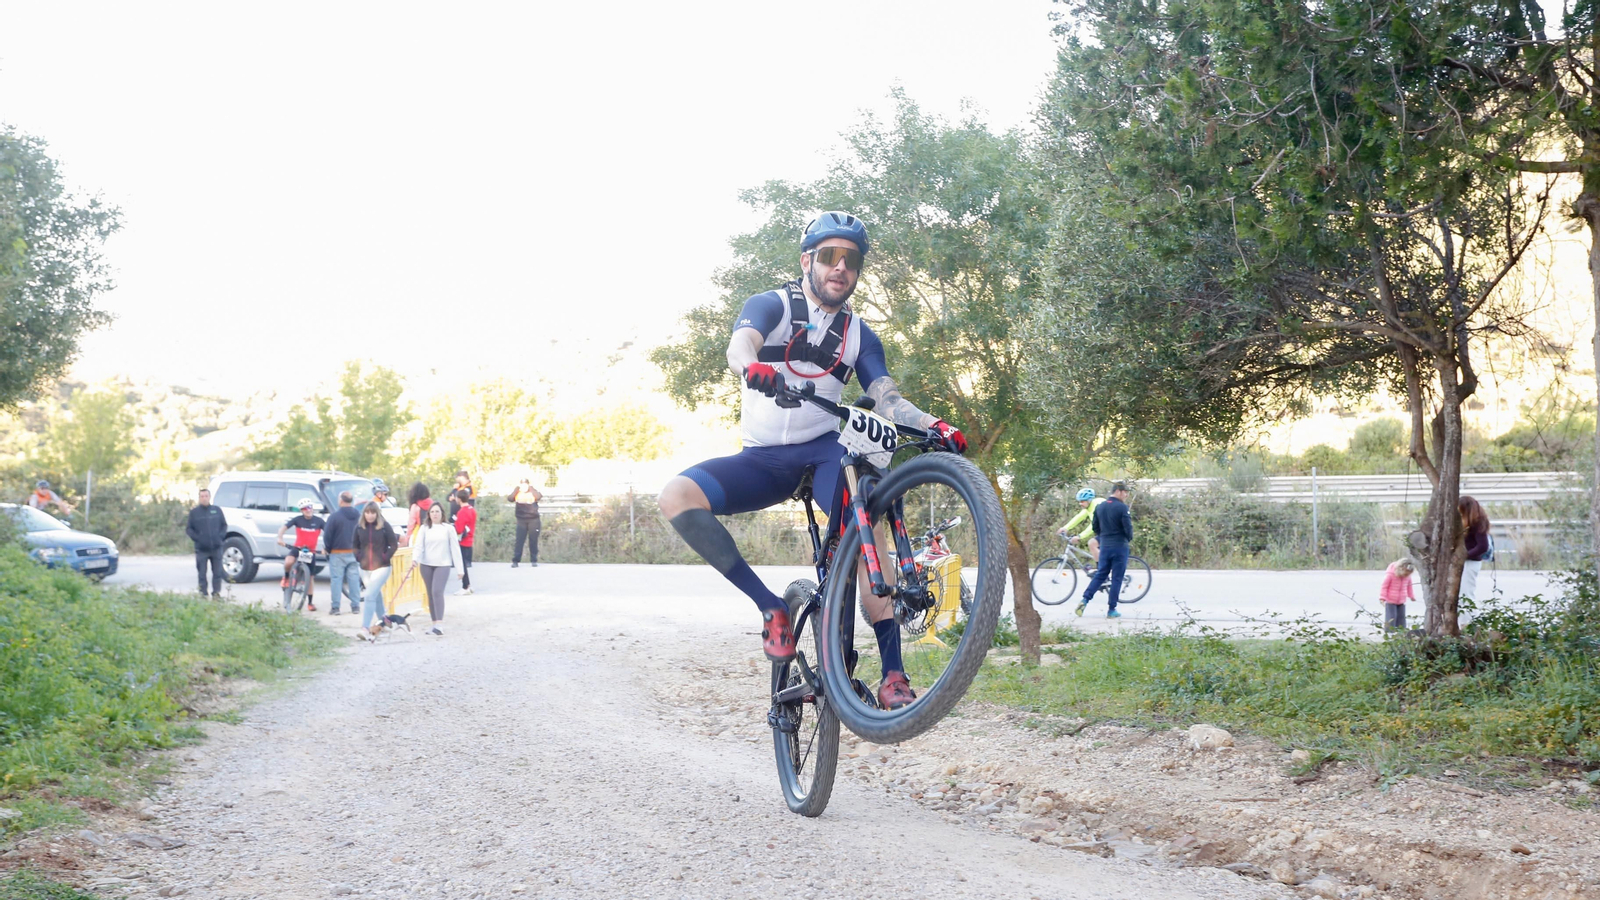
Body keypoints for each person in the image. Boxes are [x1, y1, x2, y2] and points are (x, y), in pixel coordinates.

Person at [657, 211, 966, 711]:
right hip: (762, 460)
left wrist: (934, 425)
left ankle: (892, 673)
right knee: (676, 496)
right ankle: (772, 608)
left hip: (824, 452)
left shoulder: (861, 334)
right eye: (829, 256)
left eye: (851, 260)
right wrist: (750, 367)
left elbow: (886, 398)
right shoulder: (772, 304)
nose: (840, 267)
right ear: (808, 261)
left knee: (868, 530)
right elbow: (741, 344)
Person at [1076, 482, 1133, 619]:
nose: (1126, 495)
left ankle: (1084, 600)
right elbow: (1128, 528)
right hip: (1119, 546)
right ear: (1118, 491)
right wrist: (1127, 538)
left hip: (1105, 546)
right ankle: (1112, 609)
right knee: (1117, 578)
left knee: (1101, 574)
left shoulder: (1100, 507)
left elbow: (1095, 527)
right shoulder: (1122, 507)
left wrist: (1104, 536)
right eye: (1125, 492)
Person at [405, 502, 462, 636]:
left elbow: (455, 548)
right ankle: (434, 623)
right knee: (430, 593)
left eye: (437, 511)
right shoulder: (425, 528)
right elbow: (418, 546)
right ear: (428, 515)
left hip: (443, 564)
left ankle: (439, 624)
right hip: (426, 564)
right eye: (432, 512)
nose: (435, 514)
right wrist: (415, 559)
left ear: (442, 513)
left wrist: (460, 569)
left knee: (437, 591)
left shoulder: (448, 528)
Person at [353, 501, 399, 637]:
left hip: (382, 567)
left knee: (369, 596)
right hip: (365, 567)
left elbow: (393, 544)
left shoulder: (384, 526)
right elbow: (354, 545)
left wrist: (386, 557)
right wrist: (358, 556)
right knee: (375, 595)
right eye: (367, 512)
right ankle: (384, 623)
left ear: (377, 513)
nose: (370, 515)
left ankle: (365, 628)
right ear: (364, 513)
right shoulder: (359, 527)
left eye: (373, 512)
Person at [276, 498, 327, 611]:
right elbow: (283, 528)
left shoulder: (319, 521)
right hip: (298, 548)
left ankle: (310, 602)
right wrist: (280, 538)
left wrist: (326, 548)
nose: (307, 510)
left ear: (312, 508)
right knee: (288, 562)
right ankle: (287, 577)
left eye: (309, 507)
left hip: (311, 551)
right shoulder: (298, 520)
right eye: (304, 509)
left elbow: (328, 533)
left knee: (310, 578)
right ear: (301, 510)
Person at [323, 491, 362, 615]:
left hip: (337, 552)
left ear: (340, 501)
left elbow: (327, 536)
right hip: (354, 552)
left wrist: (328, 549)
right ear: (351, 501)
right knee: (354, 579)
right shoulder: (358, 515)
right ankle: (355, 606)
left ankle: (336, 608)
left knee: (336, 580)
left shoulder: (334, 516)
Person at [185, 487, 228, 598]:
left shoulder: (217, 510)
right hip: (202, 549)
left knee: (217, 573)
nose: (204, 498)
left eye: (206, 496)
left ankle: (216, 593)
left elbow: (224, 525)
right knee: (202, 574)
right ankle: (203, 594)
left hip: (216, 548)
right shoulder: (194, 513)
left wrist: (220, 538)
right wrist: (198, 538)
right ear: (199, 498)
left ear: (209, 497)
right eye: (202, 496)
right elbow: (189, 529)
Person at [1058, 488, 1105, 565]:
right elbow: (1079, 517)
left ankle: (1101, 571)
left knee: (1092, 544)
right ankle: (1102, 572)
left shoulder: (1097, 506)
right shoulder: (1089, 507)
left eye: (1082, 501)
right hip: (1104, 531)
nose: (1080, 503)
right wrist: (1065, 528)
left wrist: (1080, 536)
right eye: (1079, 501)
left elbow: (1094, 525)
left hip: (1113, 531)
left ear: (1089, 500)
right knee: (1097, 550)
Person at [1459, 495, 1491, 603]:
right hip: (1465, 562)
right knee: (1461, 595)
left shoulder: (1477, 522)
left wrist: (1464, 556)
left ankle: (1469, 619)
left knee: (1466, 595)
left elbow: (1483, 546)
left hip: (1470, 563)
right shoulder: (1468, 522)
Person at [507, 478, 542, 567]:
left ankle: (534, 560)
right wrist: (516, 489)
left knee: (533, 541)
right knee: (519, 541)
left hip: (533, 520)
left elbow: (538, 497)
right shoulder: (517, 492)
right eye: (522, 484)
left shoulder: (532, 492)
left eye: (525, 485)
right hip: (521, 520)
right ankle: (516, 561)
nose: (524, 487)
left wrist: (531, 489)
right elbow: (510, 498)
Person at [1379, 557, 1416, 632]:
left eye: (1408, 574)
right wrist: (1382, 597)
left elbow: (1409, 586)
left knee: (1401, 618)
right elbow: (1384, 587)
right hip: (1390, 600)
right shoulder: (1390, 575)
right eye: (1405, 574)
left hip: (1401, 600)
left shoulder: (1407, 577)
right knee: (1391, 617)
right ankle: (1389, 633)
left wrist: (1411, 596)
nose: (1406, 576)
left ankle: (1401, 633)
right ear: (1400, 569)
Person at [452, 488, 476, 595]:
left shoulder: (462, 512)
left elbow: (459, 529)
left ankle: (465, 586)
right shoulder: (472, 510)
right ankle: (468, 585)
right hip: (470, 539)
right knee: (464, 564)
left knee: (461, 564)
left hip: (462, 541)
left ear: (458, 499)